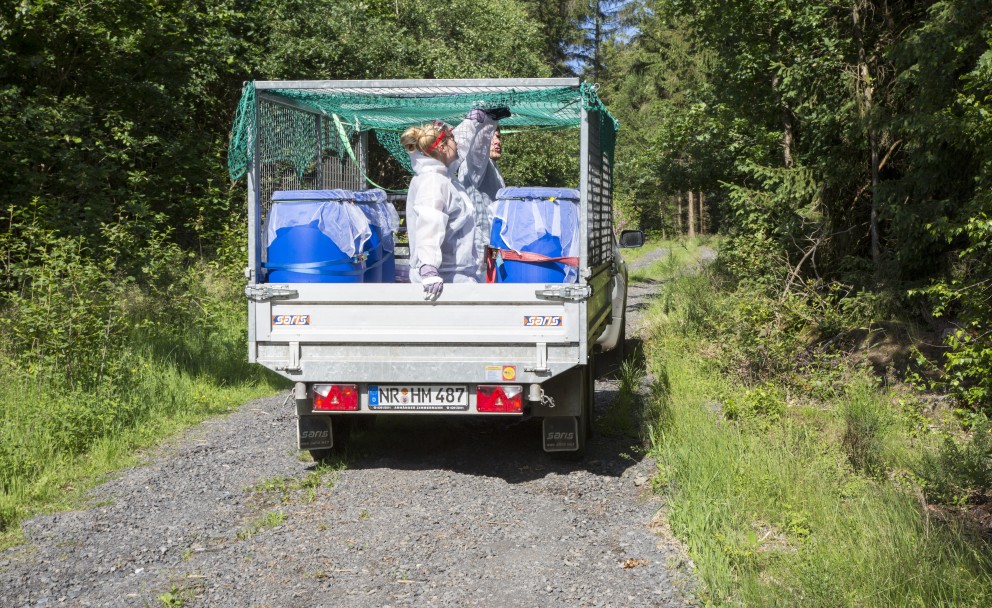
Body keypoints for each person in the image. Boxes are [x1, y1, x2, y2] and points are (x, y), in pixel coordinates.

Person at [401, 120, 479, 301]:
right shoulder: (434, 181)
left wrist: (475, 121)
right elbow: (430, 223)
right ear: (443, 148)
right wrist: (428, 267)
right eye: (452, 139)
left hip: (452, 276)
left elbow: (458, 149)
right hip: (444, 282)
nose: (457, 143)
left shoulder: (443, 177)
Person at [454, 108, 509, 281]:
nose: (497, 141)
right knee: (483, 291)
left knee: (501, 277)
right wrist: (488, 122)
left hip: (493, 246)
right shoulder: (474, 166)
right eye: (493, 137)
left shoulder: (493, 168)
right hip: (479, 250)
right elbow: (478, 150)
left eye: (499, 137)